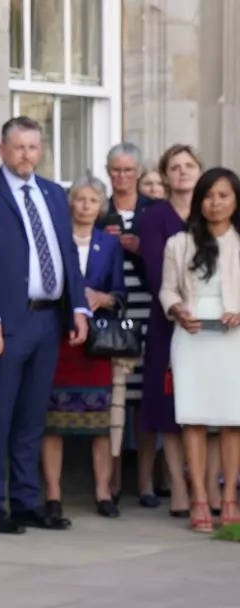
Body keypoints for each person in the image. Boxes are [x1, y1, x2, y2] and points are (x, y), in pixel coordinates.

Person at [0, 116, 89, 533]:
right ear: (2, 150)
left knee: (34, 418)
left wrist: (79, 308)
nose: (27, 155)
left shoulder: (53, 193)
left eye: (33, 147)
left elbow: (66, 252)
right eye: (19, 147)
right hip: (7, 324)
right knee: (0, 418)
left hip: (49, 322)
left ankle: (26, 500)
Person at [159, 167, 240, 532]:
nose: (215, 202)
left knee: (233, 421)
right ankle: (200, 500)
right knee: (192, 418)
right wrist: (178, 310)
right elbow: (167, 290)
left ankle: (229, 499)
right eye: (208, 195)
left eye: (223, 195)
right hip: (190, 336)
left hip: (232, 338)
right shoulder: (180, 242)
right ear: (198, 200)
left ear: (235, 199)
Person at [43, 176, 125, 519]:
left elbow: (121, 293)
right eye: (80, 199)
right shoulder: (53, 238)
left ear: (101, 206)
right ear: (70, 203)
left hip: (94, 345)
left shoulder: (109, 244)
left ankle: (103, 492)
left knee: (99, 423)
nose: (86, 205)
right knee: (52, 423)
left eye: (93, 200)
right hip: (57, 340)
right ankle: (53, 495)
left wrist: (100, 297)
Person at [138, 144, 203, 517]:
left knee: (207, 407)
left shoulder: (213, 209)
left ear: (200, 169)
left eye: (188, 165)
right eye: (174, 167)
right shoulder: (153, 217)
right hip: (167, 321)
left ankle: (204, 489)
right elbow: (155, 273)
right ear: (165, 175)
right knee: (169, 406)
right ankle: (178, 488)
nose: (182, 172)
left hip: (214, 325)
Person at [102, 143, 158, 507]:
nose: (122, 177)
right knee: (115, 398)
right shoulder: (97, 207)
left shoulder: (154, 210)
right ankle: (112, 482)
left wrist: (141, 247)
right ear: (108, 172)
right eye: (116, 170)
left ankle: (147, 483)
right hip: (111, 312)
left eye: (128, 170)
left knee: (145, 398)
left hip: (148, 309)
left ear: (138, 172)